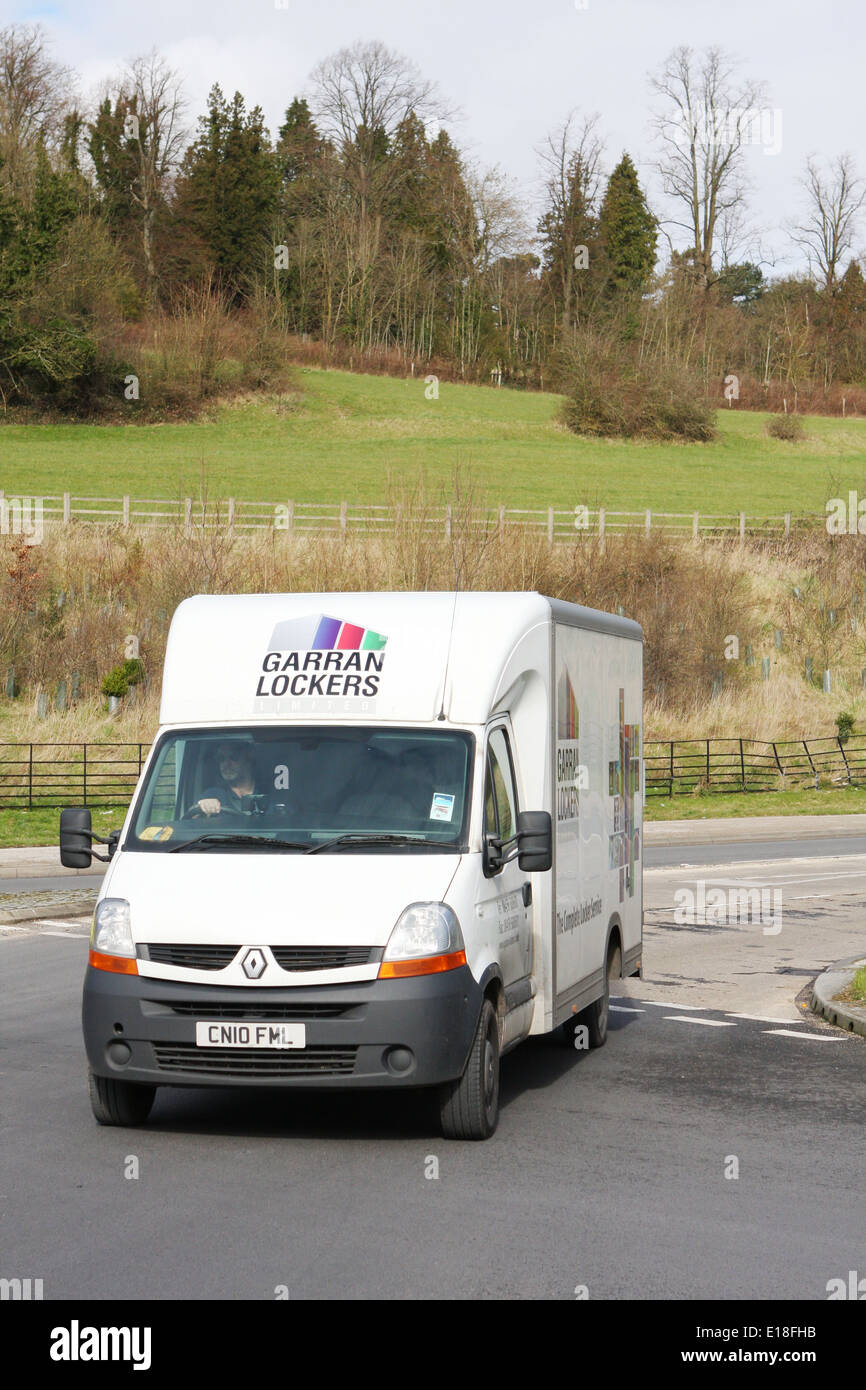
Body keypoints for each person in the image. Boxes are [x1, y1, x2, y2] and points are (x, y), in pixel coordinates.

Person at [193, 742, 267, 818]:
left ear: (248, 758)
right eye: (221, 759)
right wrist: (204, 806)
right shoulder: (213, 794)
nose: (226, 763)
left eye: (234, 757)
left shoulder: (267, 792)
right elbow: (192, 817)